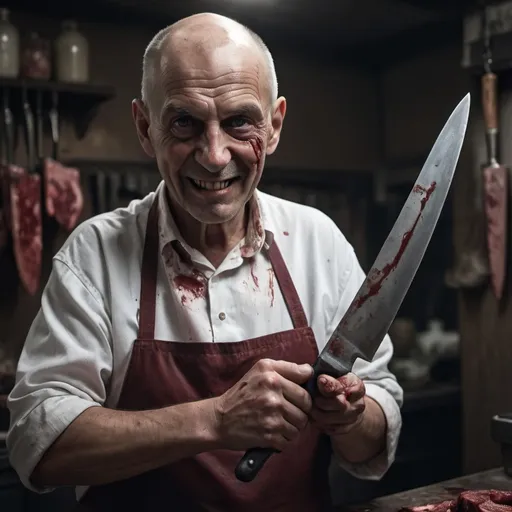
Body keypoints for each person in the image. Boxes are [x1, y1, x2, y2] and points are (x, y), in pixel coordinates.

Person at [7, 12, 403, 512]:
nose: (214, 156)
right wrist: (213, 420)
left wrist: (350, 417)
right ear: (145, 127)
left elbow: (375, 433)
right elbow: (37, 443)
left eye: (239, 121)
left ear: (274, 125)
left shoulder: (317, 242)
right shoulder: (95, 256)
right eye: (184, 123)